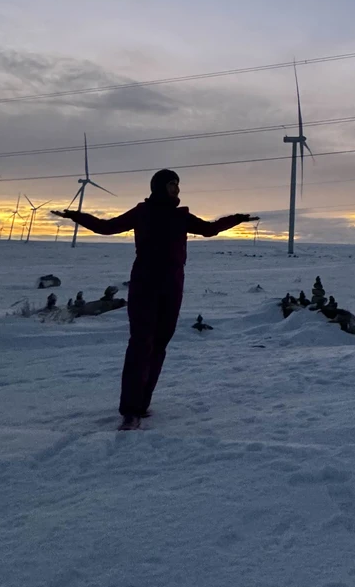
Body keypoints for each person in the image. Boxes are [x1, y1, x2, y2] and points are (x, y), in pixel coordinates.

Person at [53, 170, 257, 431]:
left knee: (160, 344)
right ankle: (130, 410)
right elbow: (107, 227)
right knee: (140, 344)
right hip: (144, 283)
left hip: (173, 286)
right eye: (173, 184)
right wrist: (75, 215)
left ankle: (142, 404)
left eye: (178, 185)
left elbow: (208, 229)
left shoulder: (180, 216)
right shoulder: (142, 212)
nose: (177, 189)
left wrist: (237, 219)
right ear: (160, 186)